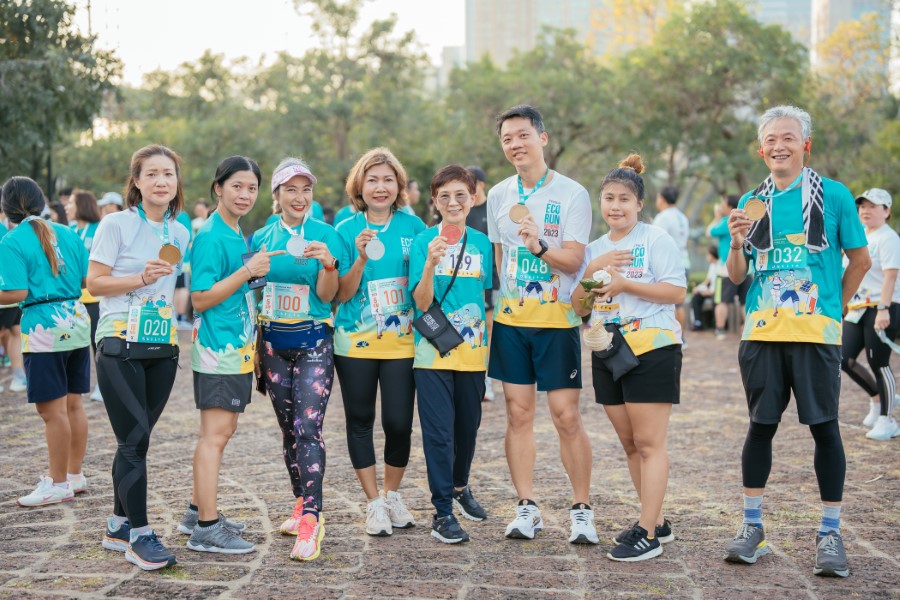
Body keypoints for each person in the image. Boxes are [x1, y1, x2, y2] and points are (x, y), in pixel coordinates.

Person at [722, 105, 870, 578]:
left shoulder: (834, 195)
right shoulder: (752, 200)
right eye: (770, 139)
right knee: (760, 427)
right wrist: (736, 243)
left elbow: (860, 260)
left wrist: (834, 308)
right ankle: (752, 527)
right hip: (762, 334)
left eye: (788, 137)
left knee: (825, 429)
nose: (778, 146)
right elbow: (738, 275)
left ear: (805, 145)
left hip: (815, 335)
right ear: (760, 149)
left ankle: (830, 532)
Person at [485, 104, 597, 544]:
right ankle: (526, 507)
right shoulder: (498, 195)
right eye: (507, 138)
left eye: (523, 135)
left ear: (542, 138)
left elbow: (574, 260)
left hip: (557, 322)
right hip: (512, 323)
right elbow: (500, 260)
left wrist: (539, 247)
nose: (515, 144)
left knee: (566, 416)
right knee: (517, 414)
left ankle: (582, 509)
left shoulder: (572, 193)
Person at [571, 154, 685, 561]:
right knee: (630, 443)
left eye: (624, 199)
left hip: (652, 347)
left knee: (650, 443)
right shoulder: (594, 249)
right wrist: (594, 269)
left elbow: (676, 292)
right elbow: (578, 306)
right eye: (609, 198)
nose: (615, 206)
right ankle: (656, 521)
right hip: (606, 348)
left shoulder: (655, 239)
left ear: (639, 204)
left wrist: (626, 285)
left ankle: (647, 533)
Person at [87, 144, 191, 570]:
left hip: (162, 346)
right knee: (133, 440)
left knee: (138, 438)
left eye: (168, 174)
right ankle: (140, 536)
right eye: (152, 174)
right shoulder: (116, 223)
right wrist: (139, 277)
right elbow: (94, 283)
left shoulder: (180, 232)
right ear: (136, 181)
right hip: (118, 342)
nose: (161, 181)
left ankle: (118, 526)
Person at [182, 156, 281, 554]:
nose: (244, 194)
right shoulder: (211, 236)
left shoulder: (235, 231)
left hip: (234, 348)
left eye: (252, 188)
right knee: (215, 436)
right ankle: (206, 529)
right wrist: (247, 272)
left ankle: (196, 512)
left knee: (221, 433)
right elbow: (200, 298)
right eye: (236, 186)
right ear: (218, 188)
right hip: (217, 351)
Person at [251, 158, 341, 561]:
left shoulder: (325, 234)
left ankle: (312, 519)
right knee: (288, 429)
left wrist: (328, 263)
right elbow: (252, 291)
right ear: (277, 194)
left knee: (308, 428)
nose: (300, 197)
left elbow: (327, 295)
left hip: (314, 342)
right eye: (291, 189)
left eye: (306, 189)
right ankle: (300, 500)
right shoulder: (261, 236)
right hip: (272, 344)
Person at [333, 147, 425, 537]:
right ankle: (373, 503)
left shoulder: (414, 227)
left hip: (402, 343)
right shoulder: (344, 229)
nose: (380, 187)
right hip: (354, 343)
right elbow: (340, 294)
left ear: (399, 185)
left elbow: (423, 285)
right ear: (360, 186)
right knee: (360, 420)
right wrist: (359, 258)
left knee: (399, 423)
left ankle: (391, 495)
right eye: (372, 180)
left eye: (388, 179)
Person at [410, 165, 492, 544]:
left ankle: (459, 487)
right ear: (435, 202)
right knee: (439, 434)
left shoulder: (482, 244)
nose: (453, 202)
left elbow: (484, 298)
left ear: (473, 198)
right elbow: (421, 302)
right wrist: (429, 263)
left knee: (467, 429)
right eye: (444, 196)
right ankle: (442, 511)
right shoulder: (422, 242)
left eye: (461, 195)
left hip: (472, 353)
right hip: (431, 353)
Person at [0, 176, 91, 507]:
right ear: (41, 201)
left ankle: (57, 483)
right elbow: (85, 279)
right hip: (76, 322)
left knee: (51, 412)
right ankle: (74, 475)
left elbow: (16, 292)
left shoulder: (12, 240)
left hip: (43, 329)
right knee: (74, 404)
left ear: (6, 208)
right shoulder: (68, 233)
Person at [841, 188, 900, 440]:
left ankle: (888, 419)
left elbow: (890, 276)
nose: (865, 211)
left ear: (886, 211)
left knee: (879, 363)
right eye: (862, 206)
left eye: (873, 206)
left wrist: (884, 309)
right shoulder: (860, 236)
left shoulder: (889, 238)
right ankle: (878, 398)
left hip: (882, 307)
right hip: (857, 308)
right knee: (844, 358)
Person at [65, 189, 104, 401]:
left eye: (71, 202)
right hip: (72, 298)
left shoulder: (100, 228)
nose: (66, 207)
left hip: (95, 298)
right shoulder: (67, 230)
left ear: (82, 205)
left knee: (97, 344)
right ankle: (75, 385)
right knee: (73, 345)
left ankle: (103, 385)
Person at [465, 165, 499, 401]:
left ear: (481, 184)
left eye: (472, 183)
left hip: (490, 280)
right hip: (465, 280)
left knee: (487, 328)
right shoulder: (463, 210)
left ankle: (486, 378)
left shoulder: (492, 209)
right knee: (468, 325)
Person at [708, 195, 748, 339]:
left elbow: (709, 232)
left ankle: (720, 329)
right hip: (747, 266)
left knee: (722, 300)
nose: (722, 205)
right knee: (745, 301)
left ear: (729, 206)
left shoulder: (727, 221)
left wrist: (716, 217)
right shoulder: (746, 220)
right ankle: (749, 328)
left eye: (723, 203)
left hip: (727, 267)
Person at [653, 186, 690, 339]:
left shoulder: (662, 217)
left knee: (669, 304)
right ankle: (681, 338)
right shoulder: (683, 217)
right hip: (685, 261)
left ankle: (673, 337)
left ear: (662, 199)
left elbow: (656, 243)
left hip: (669, 264)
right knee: (680, 303)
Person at [0, 210, 26, 393]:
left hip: (9, 292)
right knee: (14, 332)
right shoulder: (4, 230)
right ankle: (18, 377)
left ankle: (18, 377)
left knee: (15, 331)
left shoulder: (4, 230)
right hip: (9, 290)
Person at [689, 246, 719, 330]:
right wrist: (698, 289)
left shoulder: (720, 265)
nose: (707, 256)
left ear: (712, 255)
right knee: (696, 298)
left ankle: (715, 324)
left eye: (708, 254)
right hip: (710, 291)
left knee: (715, 300)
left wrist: (708, 292)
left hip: (716, 292)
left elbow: (717, 286)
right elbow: (707, 281)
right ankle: (698, 322)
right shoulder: (712, 265)